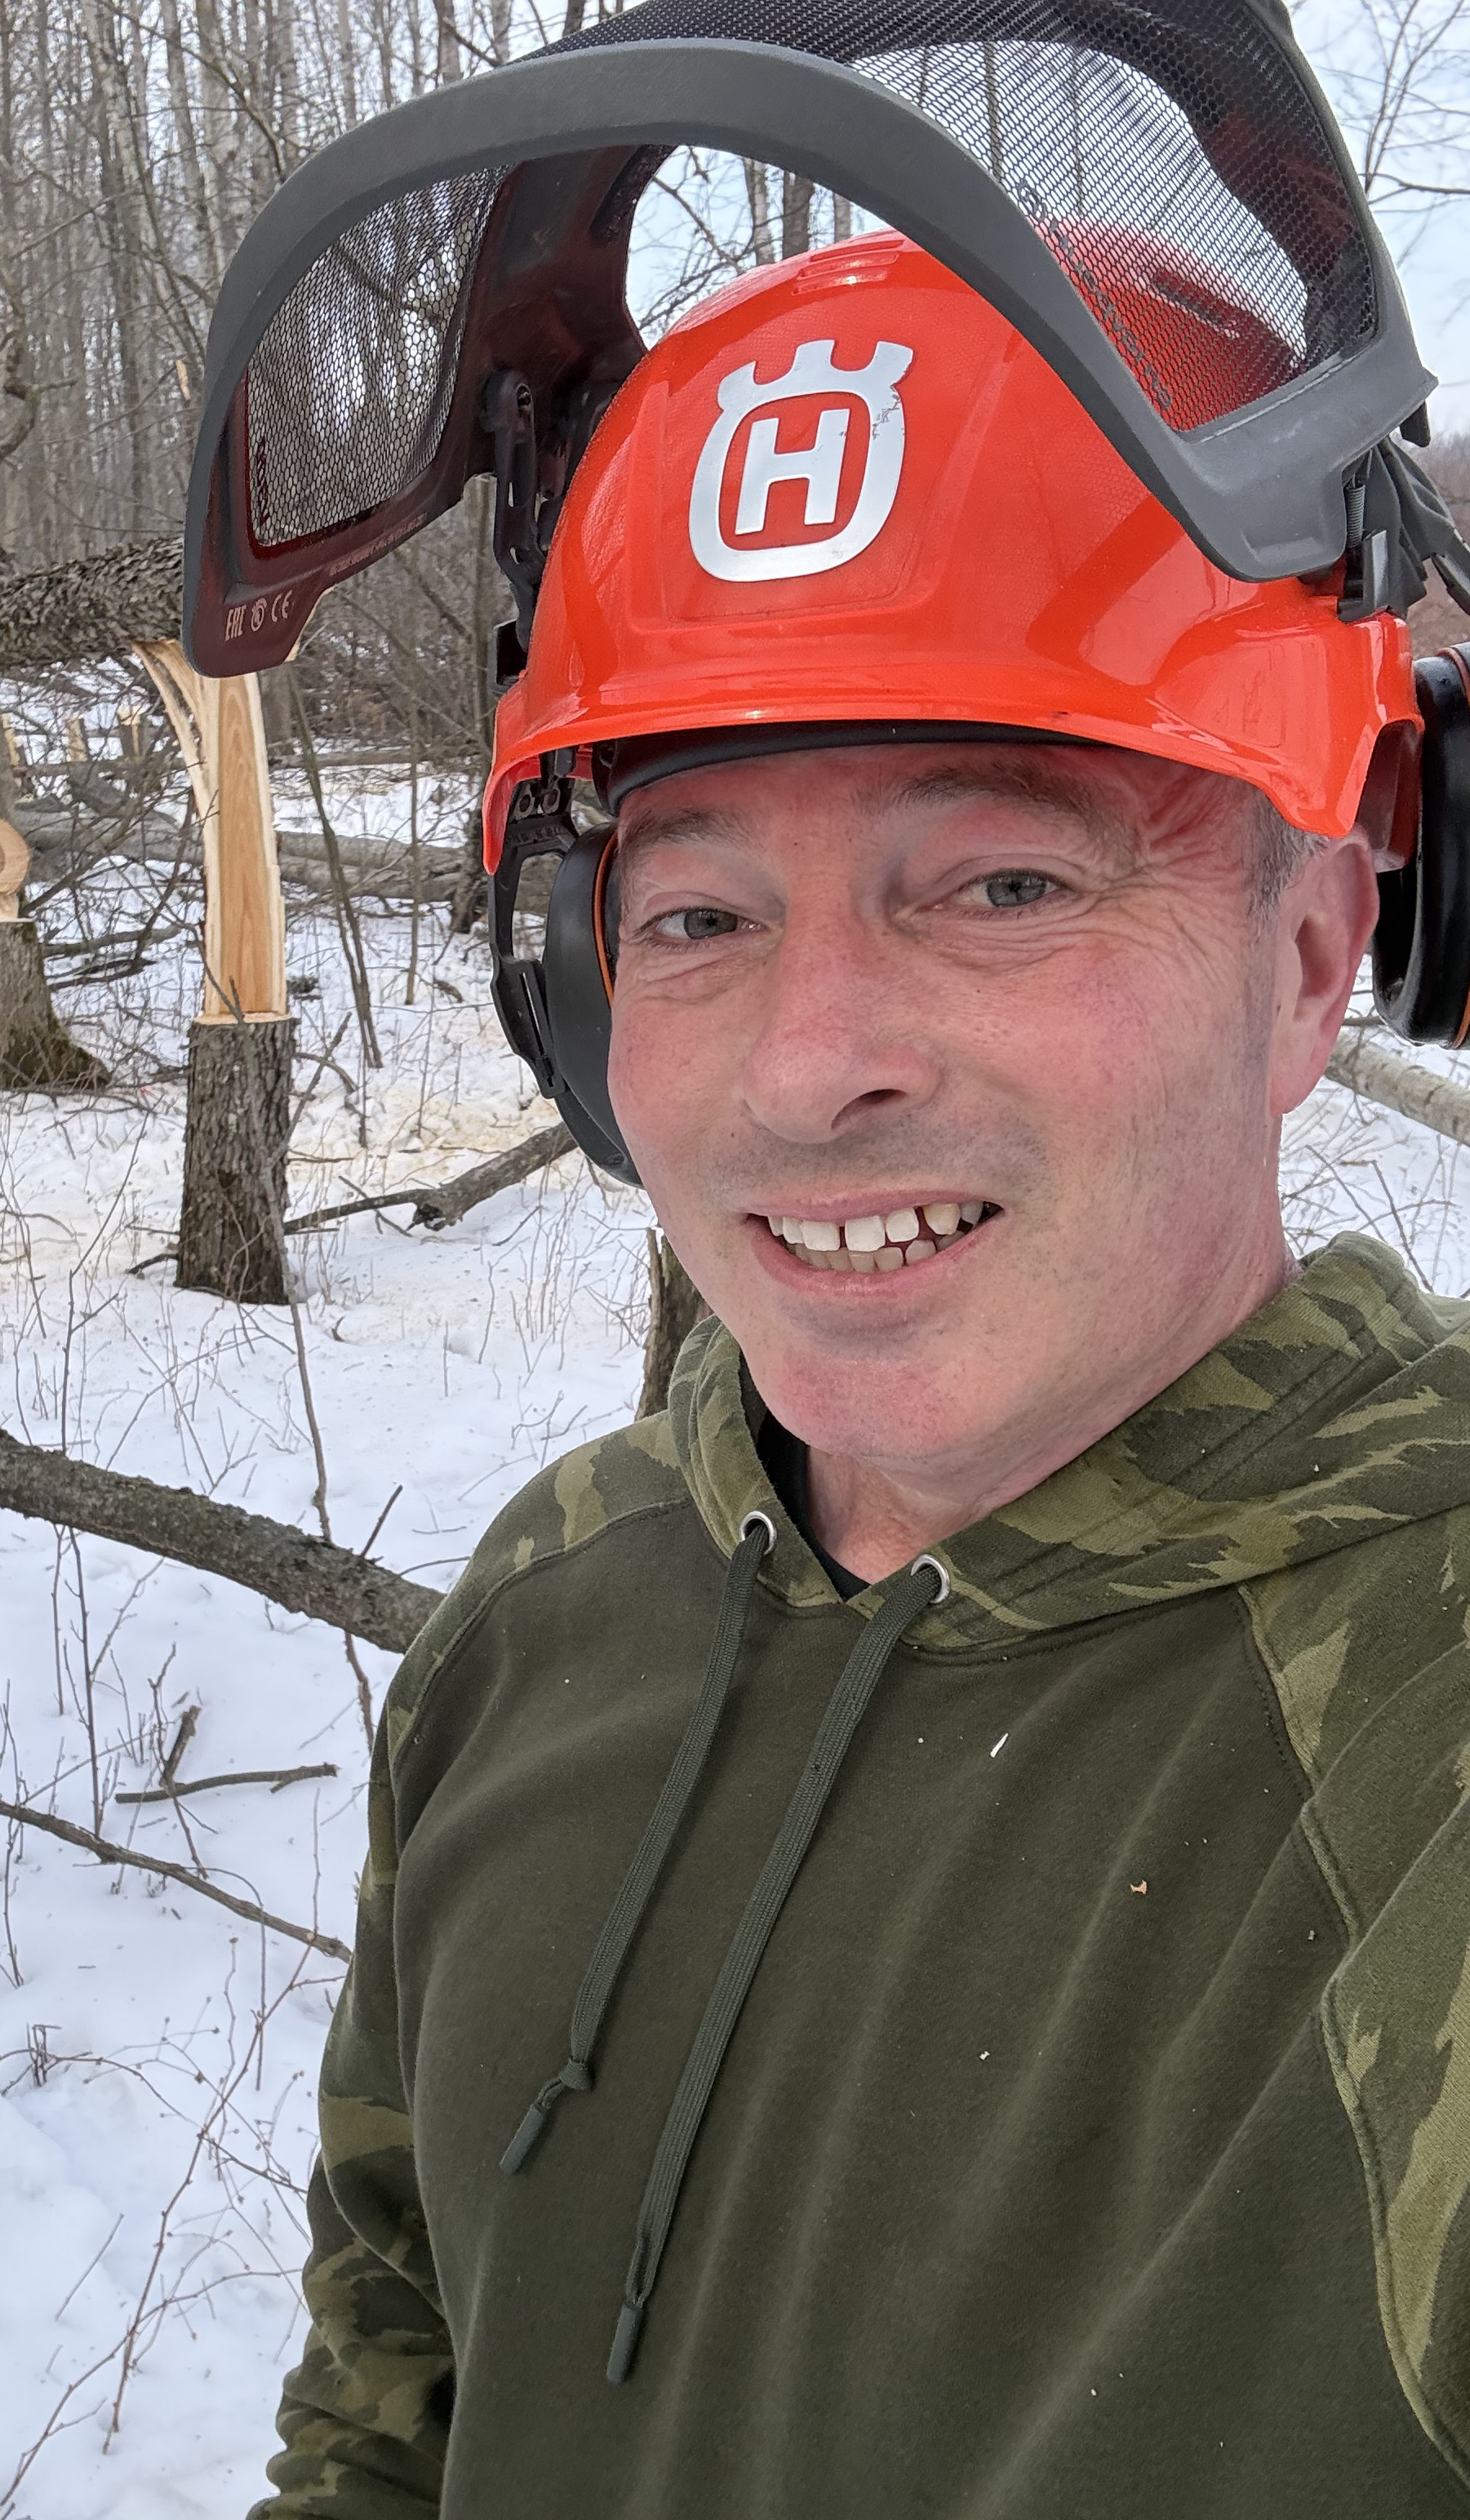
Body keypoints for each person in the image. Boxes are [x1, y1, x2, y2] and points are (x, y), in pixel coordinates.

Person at [243, 215, 1470, 2518]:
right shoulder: (554, 1606)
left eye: (997, 883)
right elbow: (386, 2419)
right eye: (697, 915)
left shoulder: (1426, 1741)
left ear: (1314, 952)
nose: (807, 1070)